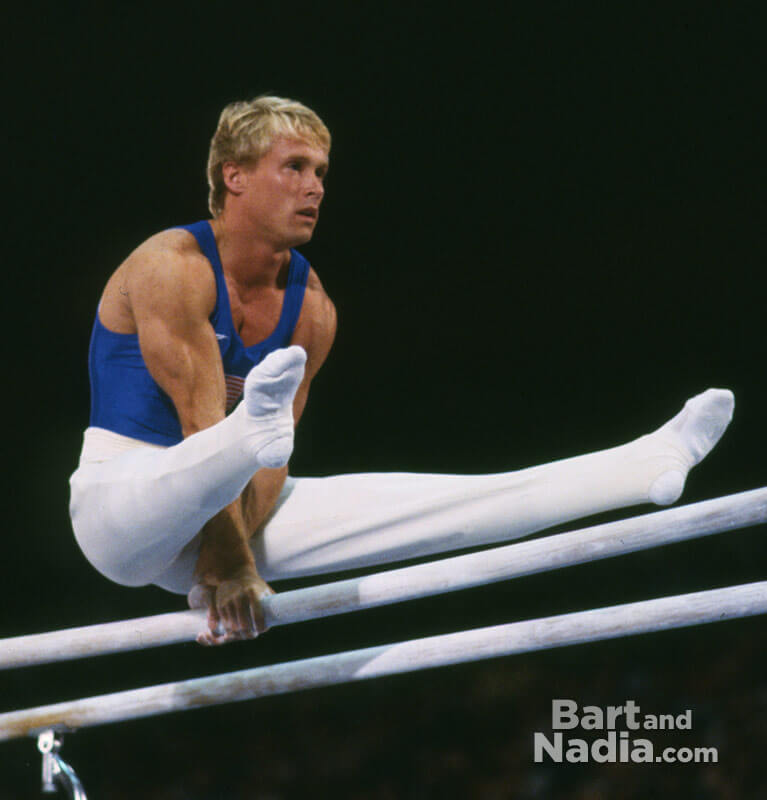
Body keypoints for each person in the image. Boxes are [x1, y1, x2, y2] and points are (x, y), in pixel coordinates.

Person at [69, 95, 735, 646]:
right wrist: (233, 565)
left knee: (450, 507)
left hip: (227, 513)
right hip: (124, 500)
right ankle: (250, 429)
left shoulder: (312, 309)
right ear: (233, 176)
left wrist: (223, 562)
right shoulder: (172, 265)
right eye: (294, 166)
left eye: (321, 172)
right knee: (229, 436)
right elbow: (195, 422)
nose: (314, 187)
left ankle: (639, 465)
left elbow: (274, 467)